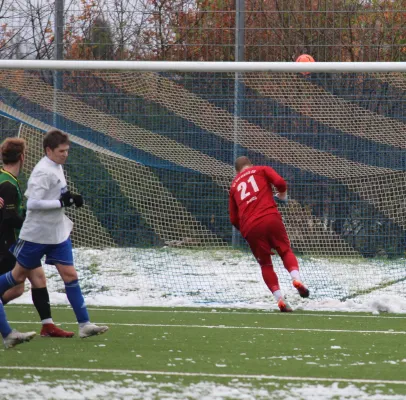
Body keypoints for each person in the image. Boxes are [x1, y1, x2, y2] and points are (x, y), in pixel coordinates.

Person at [0, 129, 108, 338]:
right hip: (36, 235)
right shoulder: (42, 172)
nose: (65, 154)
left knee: (70, 275)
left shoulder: (57, 166)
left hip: (57, 233)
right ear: (49, 150)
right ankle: (44, 325)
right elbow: (33, 203)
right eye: (61, 151)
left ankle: (84, 324)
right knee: (17, 278)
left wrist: (69, 197)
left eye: (67, 150)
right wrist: (61, 202)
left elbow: (60, 192)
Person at [0, 137, 74, 338]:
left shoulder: (6, 178)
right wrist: (32, 222)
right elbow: (8, 218)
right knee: (16, 289)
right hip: (11, 243)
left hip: (18, 241)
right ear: (22, 157)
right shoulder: (7, 184)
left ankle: (48, 325)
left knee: (38, 278)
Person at [229, 156, 309, 312]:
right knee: (285, 250)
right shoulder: (261, 170)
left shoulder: (234, 186)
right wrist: (282, 196)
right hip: (270, 217)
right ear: (250, 164)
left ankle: (279, 299)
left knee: (265, 264)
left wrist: (248, 233)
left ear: (237, 171)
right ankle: (297, 280)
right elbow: (280, 183)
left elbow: (233, 218)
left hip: (250, 227)